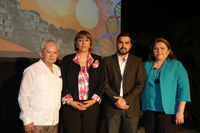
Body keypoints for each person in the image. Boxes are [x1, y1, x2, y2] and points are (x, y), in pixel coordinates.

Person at [141, 38, 191, 133]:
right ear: (152, 51)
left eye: (162, 48)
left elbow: (184, 89)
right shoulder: (145, 65)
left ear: (168, 51)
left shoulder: (177, 65)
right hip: (148, 110)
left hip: (168, 112)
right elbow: (140, 86)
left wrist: (180, 112)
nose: (159, 51)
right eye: (156, 48)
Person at [61, 30, 105, 133]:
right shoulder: (67, 60)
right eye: (80, 40)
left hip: (91, 106)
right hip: (71, 107)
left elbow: (102, 82)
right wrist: (70, 102)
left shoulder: (97, 60)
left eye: (86, 40)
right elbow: (63, 83)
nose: (84, 43)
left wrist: (93, 101)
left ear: (90, 43)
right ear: (76, 43)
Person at [103, 32, 145, 133]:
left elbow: (140, 83)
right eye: (121, 42)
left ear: (130, 45)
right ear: (116, 44)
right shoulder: (107, 61)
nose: (123, 45)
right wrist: (117, 100)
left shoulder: (137, 61)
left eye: (126, 43)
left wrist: (125, 100)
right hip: (112, 106)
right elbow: (104, 83)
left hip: (131, 107)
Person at [18, 40, 62, 133]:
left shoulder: (58, 70)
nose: (52, 55)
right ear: (41, 54)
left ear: (58, 54)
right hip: (36, 122)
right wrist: (27, 120)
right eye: (48, 52)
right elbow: (23, 96)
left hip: (54, 122)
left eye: (54, 52)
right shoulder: (32, 70)